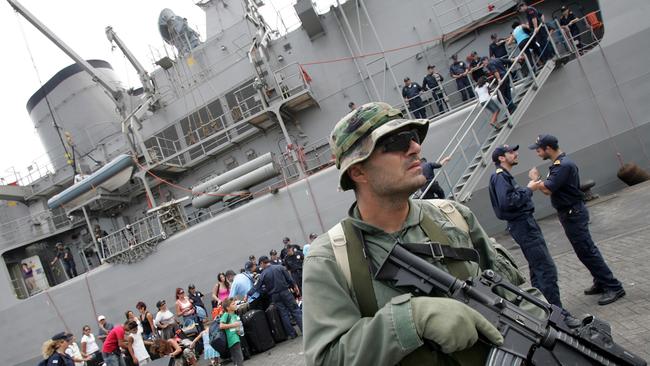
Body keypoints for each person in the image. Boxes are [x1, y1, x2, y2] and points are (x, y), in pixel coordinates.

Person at [303, 102, 554, 365]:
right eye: (397, 142)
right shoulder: (330, 260)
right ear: (358, 171)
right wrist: (410, 319)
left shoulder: (454, 216)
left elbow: (517, 294)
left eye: (413, 137)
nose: (415, 148)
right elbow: (326, 359)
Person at [488, 145, 581, 325]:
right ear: (501, 158)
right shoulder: (500, 177)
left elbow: (511, 198)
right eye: (511, 153)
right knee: (546, 269)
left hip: (524, 224)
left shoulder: (502, 177)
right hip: (523, 225)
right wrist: (529, 189)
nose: (516, 154)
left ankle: (541, 311)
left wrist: (529, 186)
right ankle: (558, 316)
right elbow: (509, 203)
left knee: (537, 270)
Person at [527, 134, 626, 305]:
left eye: (538, 150)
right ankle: (600, 281)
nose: (537, 153)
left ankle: (614, 286)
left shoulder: (562, 166)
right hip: (570, 213)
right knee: (584, 252)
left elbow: (547, 189)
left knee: (588, 251)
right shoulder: (559, 164)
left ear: (548, 148)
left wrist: (535, 180)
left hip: (573, 214)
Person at [249, 257, 302, 339]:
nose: (260, 266)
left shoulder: (263, 274)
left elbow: (256, 287)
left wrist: (248, 294)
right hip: (285, 292)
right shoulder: (280, 267)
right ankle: (303, 329)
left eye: (260, 264)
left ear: (263, 263)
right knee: (295, 311)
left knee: (284, 314)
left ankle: (292, 334)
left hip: (275, 296)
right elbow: (289, 279)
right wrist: (295, 287)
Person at [219, 297, 245, 366]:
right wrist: (233, 325)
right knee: (239, 358)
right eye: (233, 304)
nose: (235, 305)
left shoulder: (235, 315)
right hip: (232, 339)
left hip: (236, 338)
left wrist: (239, 330)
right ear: (228, 308)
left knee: (237, 359)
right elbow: (221, 325)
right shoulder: (226, 315)